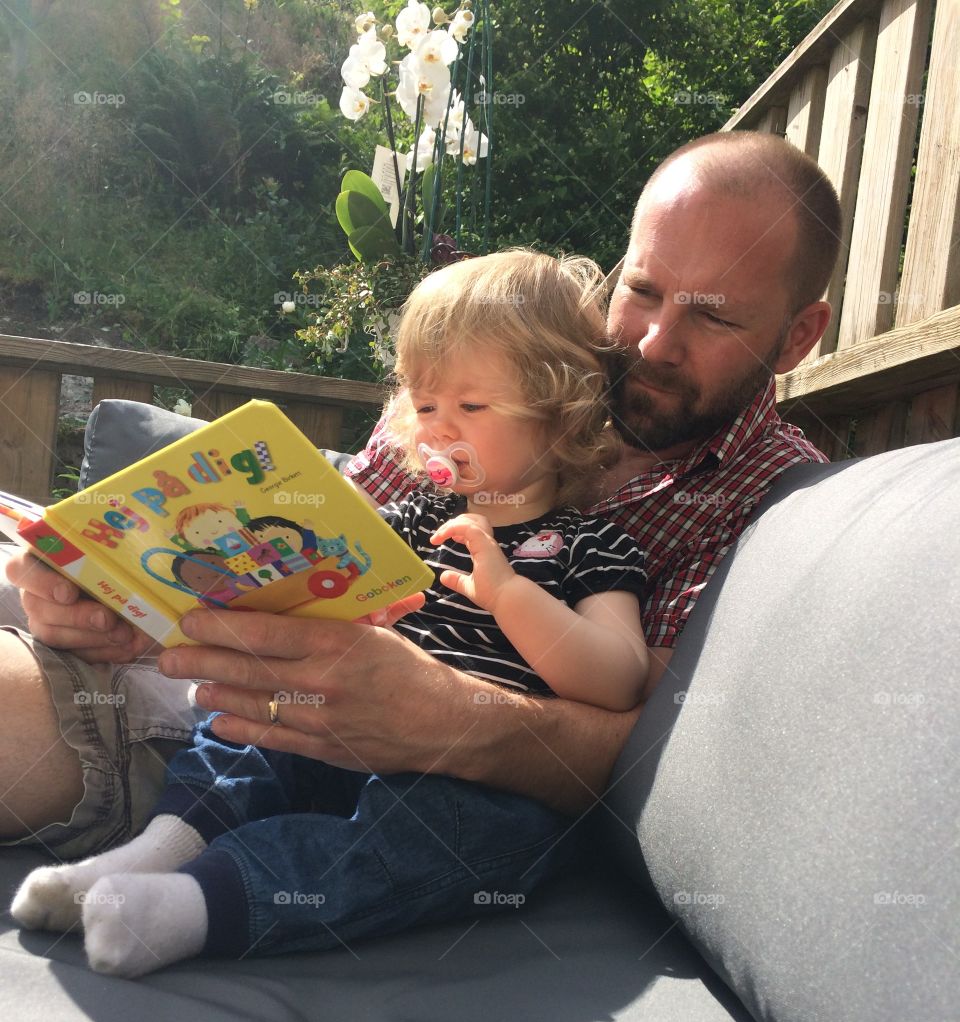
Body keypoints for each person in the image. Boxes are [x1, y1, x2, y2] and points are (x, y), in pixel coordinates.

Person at [0, 130, 841, 868]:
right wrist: (113, 597)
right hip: (227, 655)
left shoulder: (776, 509)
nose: (653, 343)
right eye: (645, 291)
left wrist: (454, 716)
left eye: (715, 319)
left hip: (287, 747)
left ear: (800, 335)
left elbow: (660, 746)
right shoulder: (516, 354)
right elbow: (319, 532)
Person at [12, 249, 649, 976]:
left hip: (479, 782)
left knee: (438, 841)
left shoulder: (592, 545)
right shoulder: (414, 517)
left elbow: (618, 679)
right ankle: (152, 853)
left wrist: (509, 594)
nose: (440, 430)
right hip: (339, 728)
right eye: (428, 405)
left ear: (560, 409)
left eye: (471, 407)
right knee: (247, 731)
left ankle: (199, 904)